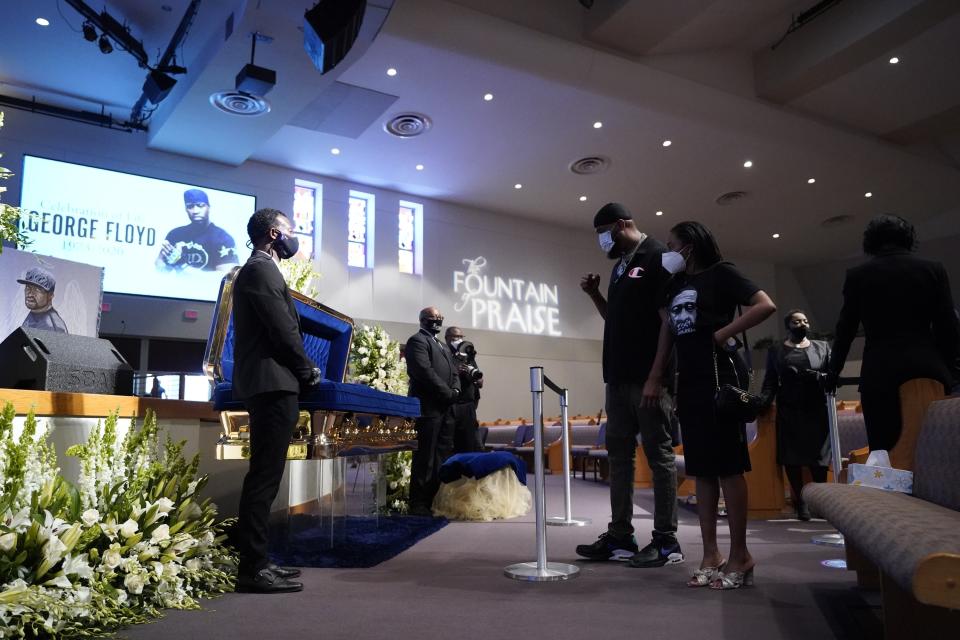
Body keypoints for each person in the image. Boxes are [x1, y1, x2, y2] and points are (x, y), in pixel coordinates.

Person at [657, 220, 775, 590]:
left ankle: (741, 553)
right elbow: (669, 330)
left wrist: (722, 334)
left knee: (727, 468)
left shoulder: (721, 274)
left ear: (690, 246)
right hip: (689, 382)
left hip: (720, 379)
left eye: (672, 244)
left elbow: (764, 305)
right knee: (702, 470)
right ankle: (711, 554)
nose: (668, 250)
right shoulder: (677, 284)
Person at [575, 202, 683, 569]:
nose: (602, 242)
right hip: (618, 379)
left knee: (659, 457)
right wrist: (595, 295)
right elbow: (615, 320)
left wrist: (656, 376)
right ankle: (621, 536)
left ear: (623, 224)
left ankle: (667, 541)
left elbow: (667, 322)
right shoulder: (620, 266)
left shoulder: (658, 257)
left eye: (605, 233)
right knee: (620, 459)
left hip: (648, 379)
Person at [231, 208, 321, 594]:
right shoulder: (260, 270)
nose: (293, 237)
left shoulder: (262, 270)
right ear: (273, 234)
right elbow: (282, 330)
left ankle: (260, 559)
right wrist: (306, 369)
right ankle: (252, 568)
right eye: (290, 231)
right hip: (271, 384)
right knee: (264, 478)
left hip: (272, 384)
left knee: (266, 477)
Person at [826, 215, 960, 451]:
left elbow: (845, 329)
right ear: (908, 237)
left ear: (871, 241)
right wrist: (951, 372)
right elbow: (947, 326)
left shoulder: (858, 275)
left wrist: (833, 371)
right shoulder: (933, 269)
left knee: (884, 451)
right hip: (927, 367)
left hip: (880, 371)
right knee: (936, 448)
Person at [760, 310, 830, 520]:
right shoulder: (776, 350)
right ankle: (801, 503)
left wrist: (819, 376)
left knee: (819, 458)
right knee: (792, 457)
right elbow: (770, 381)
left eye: (805, 320)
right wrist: (762, 403)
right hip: (789, 408)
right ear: (788, 325)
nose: (802, 324)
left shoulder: (822, 347)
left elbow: (833, 374)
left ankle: (821, 501)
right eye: (797, 321)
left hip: (817, 408)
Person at [405, 307, 460, 516]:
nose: (436, 320)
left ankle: (435, 500)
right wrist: (447, 392)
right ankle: (418, 503)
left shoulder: (443, 346)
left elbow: (454, 372)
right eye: (432, 318)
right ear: (422, 320)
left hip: (446, 408)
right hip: (428, 407)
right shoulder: (417, 341)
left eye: (439, 318)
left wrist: (456, 389)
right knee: (425, 457)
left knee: (441, 456)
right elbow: (423, 372)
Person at [156, 188, 239, 272]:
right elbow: (159, 267)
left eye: (200, 205)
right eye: (190, 206)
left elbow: (227, 278)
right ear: (186, 209)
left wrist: (182, 264)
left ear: (208, 207)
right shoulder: (175, 234)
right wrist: (168, 263)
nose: (195, 211)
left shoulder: (223, 238)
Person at [445, 326, 484, 453]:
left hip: (469, 405)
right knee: (452, 445)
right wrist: (456, 372)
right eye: (456, 337)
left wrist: (476, 378)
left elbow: (480, 381)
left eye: (461, 337)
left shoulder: (468, 355)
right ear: (448, 339)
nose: (460, 340)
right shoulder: (444, 355)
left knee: (473, 445)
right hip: (452, 405)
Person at [18, 267, 68, 333]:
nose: (30, 294)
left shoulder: (53, 326)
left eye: (37, 290)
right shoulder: (35, 313)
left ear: (50, 295)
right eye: (28, 287)